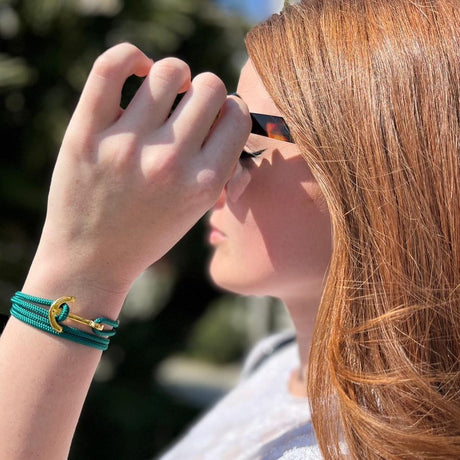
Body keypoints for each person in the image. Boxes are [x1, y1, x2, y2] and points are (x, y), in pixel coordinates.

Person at [0, 0, 459, 459]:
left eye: (245, 144)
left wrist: (82, 265)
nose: (211, 174)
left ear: (388, 173)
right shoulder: (277, 366)